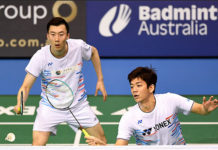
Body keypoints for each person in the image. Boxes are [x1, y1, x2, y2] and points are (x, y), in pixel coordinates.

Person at [14, 17, 107, 145]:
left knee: (101, 142)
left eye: (61, 34)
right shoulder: (40, 57)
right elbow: (25, 87)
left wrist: (100, 80)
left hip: (78, 106)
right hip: (50, 107)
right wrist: (20, 103)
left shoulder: (78, 46)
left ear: (68, 36)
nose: (57, 39)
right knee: (37, 145)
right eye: (53, 34)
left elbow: (94, 52)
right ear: (47, 36)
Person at [85, 66, 218, 145]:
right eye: (132, 86)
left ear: (151, 87)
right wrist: (104, 146)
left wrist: (205, 109)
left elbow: (200, 110)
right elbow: (120, 145)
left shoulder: (170, 100)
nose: (134, 90)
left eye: (138, 85)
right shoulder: (128, 118)